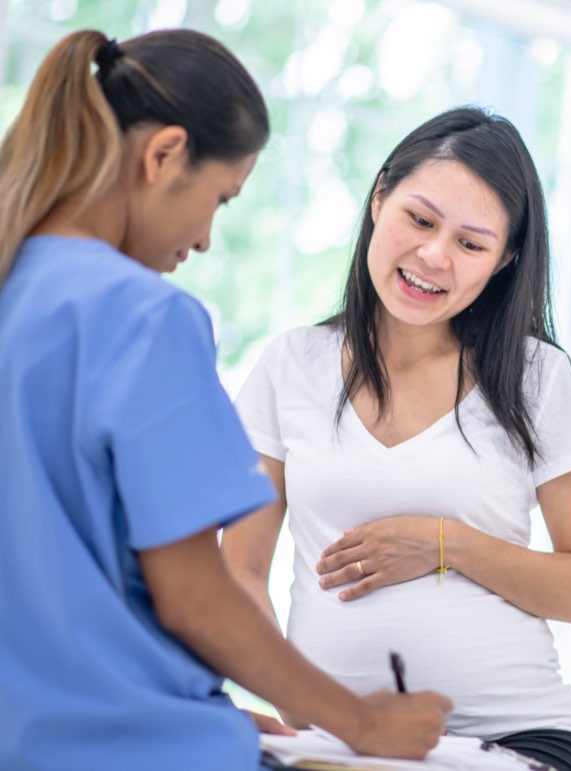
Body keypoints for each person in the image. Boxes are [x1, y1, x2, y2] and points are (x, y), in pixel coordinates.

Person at [0, 29, 452, 771]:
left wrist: (175, 692)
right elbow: (194, 595)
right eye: (220, 197)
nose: (208, 239)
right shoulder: (142, 317)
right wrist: (358, 720)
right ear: (163, 155)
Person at [222, 106, 571, 771]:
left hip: (512, 737)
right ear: (380, 197)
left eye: (470, 243)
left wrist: (444, 544)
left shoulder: (536, 377)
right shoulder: (292, 364)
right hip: (337, 741)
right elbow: (238, 570)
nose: (433, 255)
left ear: (504, 259)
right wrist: (296, 694)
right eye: (420, 219)